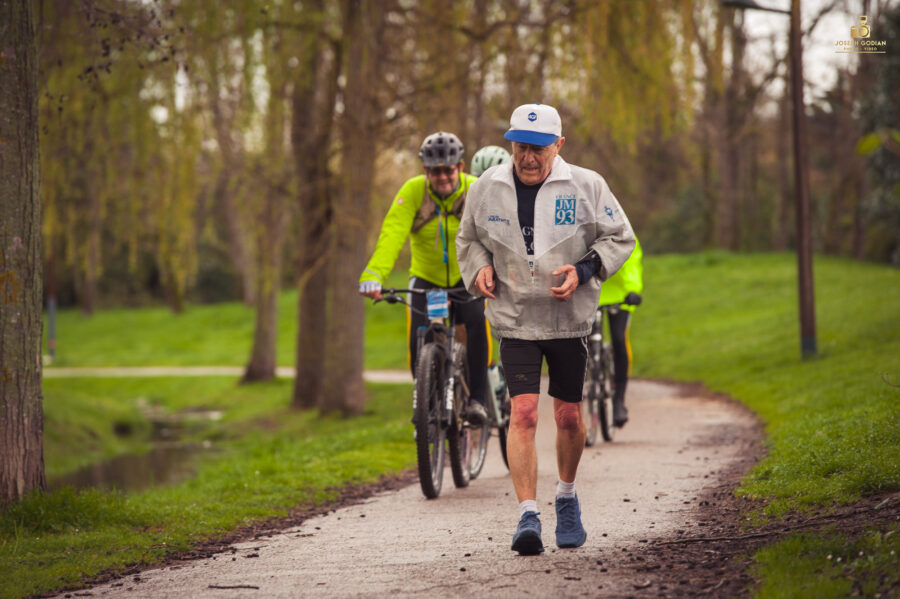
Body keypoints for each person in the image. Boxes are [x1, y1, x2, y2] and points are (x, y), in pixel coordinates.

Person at [456, 103, 635, 555]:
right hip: (514, 317)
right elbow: (468, 239)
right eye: (520, 146)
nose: (528, 157)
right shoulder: (485, 188)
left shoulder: (587, 185)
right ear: (510, 144)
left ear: (559, 145)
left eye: (537, 148)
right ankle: (527, 516)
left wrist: (585, 269)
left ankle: (567, 497)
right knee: (524, 413)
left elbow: (619, 238)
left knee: (569, 416)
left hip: (567, 318)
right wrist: (478, 269)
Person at [359, 131, 488, 425]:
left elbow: (497, 234)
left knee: (477, 322)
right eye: (434, 171)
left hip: (465, 277)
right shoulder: (414, 191)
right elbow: (392, 234)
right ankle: (426, 402)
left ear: (461, 167)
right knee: (419, 339)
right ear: (425, 170)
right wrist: (374, 274)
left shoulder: (476, 190)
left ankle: (478, 400)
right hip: (426, 279)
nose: (442, 177)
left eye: (448, 170)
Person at [597, 235, 643, 427]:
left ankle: (619, 400)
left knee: (618, 339)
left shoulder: (620, 225)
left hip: (620, 294)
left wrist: (632, 289)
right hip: (591, 292)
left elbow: (632, 257)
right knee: (580, 341)